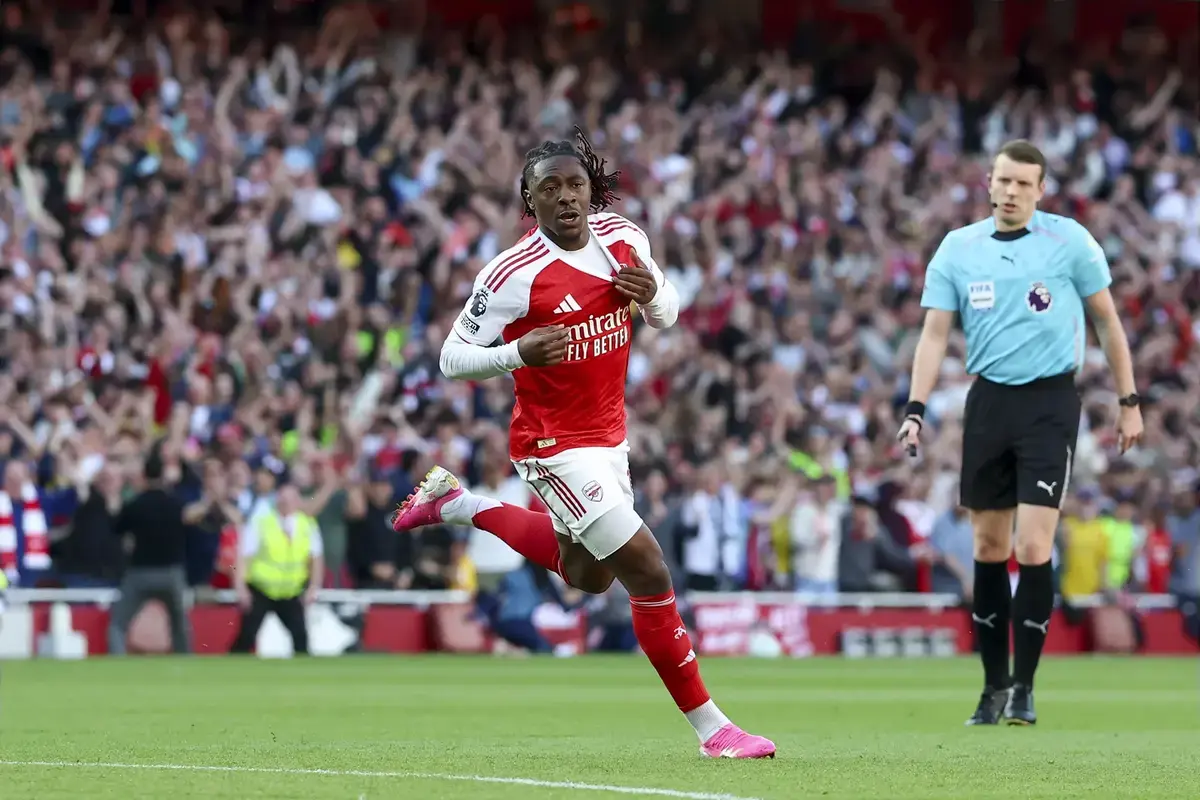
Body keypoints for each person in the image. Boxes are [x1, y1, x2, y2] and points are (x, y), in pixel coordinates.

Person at [393, 129, 774, 758]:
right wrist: (516, 352)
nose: (566, 196)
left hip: (609, 440)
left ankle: (459, 505)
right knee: (647, 568)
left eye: (575, 185)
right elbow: (450, 357)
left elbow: (668, 312)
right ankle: (714, 730)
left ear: (592, 190)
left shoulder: (623, 238)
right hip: (551, 446)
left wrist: (654, 297)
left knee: (589, 575)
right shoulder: (512, 274)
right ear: (531, 200)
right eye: (550, 188)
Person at [897, 139, 1144, 726]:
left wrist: (1129, 401)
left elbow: (1107, 322)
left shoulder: (1070, 241)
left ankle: (1025, 688)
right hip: (989, 402)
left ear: (1040, 190)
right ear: (989, 181)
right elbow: (934, 335)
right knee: (988, 548)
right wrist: (915, 408)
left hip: (1050, 404)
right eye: (1003, 180)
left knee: (1033, 547)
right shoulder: (958, 248)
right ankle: (992, 687)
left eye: (1022, 184)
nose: (1010, 192)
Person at [107, 453, 192, 656]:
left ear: (144, 476)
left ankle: (116, 662)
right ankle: (186, 661)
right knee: (179, 625)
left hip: (140, 572)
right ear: (163, 475)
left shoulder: (136, 504)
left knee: (118, 624)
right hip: (171, 572)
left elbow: (116, 529)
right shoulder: (176, 504)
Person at [230, 484, 325, 655]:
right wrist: (240, 587)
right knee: (247, 635)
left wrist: (313, 587)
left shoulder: (307, 525)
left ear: (298, 502)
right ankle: (232, 664)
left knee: (300, 638)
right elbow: (244, 557)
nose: (286, 504)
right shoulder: (261, 522)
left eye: (290, 500)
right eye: (283, 500)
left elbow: (315, 559)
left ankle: (302, 669)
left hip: (291, 590)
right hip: (261, 588)